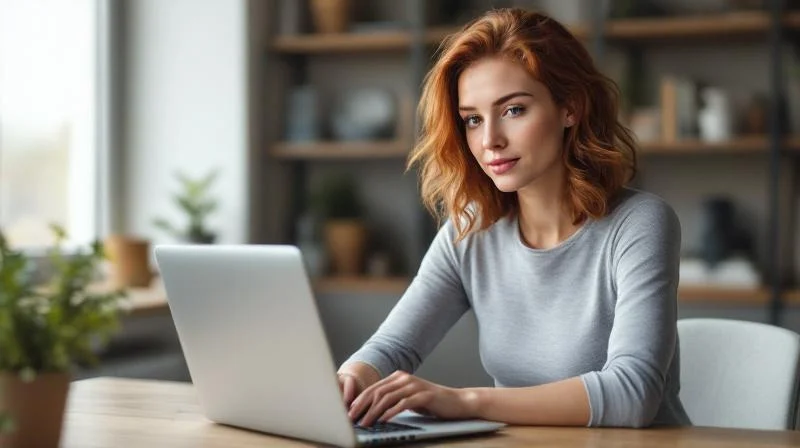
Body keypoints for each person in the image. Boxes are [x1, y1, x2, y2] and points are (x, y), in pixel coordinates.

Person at [336, 8, 691, 429]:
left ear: (570, 107)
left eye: (514, 110)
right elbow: (392, 347)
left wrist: (465, 401)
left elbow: (632, 395)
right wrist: (350, 380)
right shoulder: (471, 231)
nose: (489, 141)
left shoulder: (639, 224)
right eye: (472, 119)